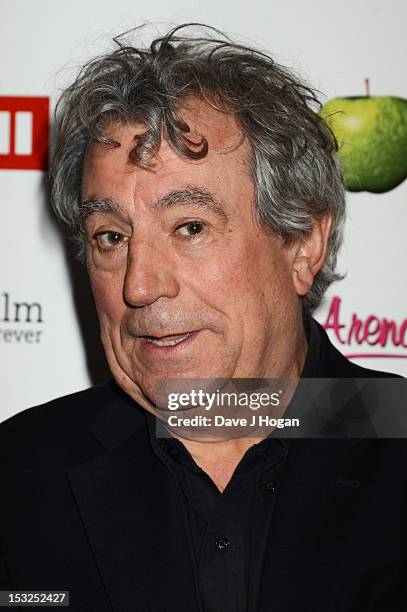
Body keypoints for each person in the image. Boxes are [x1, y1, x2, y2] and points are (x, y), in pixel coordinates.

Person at [0, 23, 406, 612]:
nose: (139, 286)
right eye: (110, 237)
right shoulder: (20, 478)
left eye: (190, 228)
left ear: (302, 246)